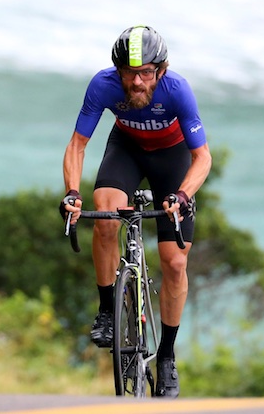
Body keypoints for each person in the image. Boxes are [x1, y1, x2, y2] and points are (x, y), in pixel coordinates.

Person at [60, 25, 212, 398]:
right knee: (106, 216)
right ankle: (107, 311)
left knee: (174, 262)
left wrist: (182, 194)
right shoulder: (103, 86)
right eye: (131, 73)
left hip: (172, 158)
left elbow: (202, 157)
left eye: (147, 72)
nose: (138, 81)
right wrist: (72, 193)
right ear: (118, 72)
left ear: (161, 69)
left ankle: (166, 357)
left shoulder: (177, 91)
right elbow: (78, 144)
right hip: (126, 148)